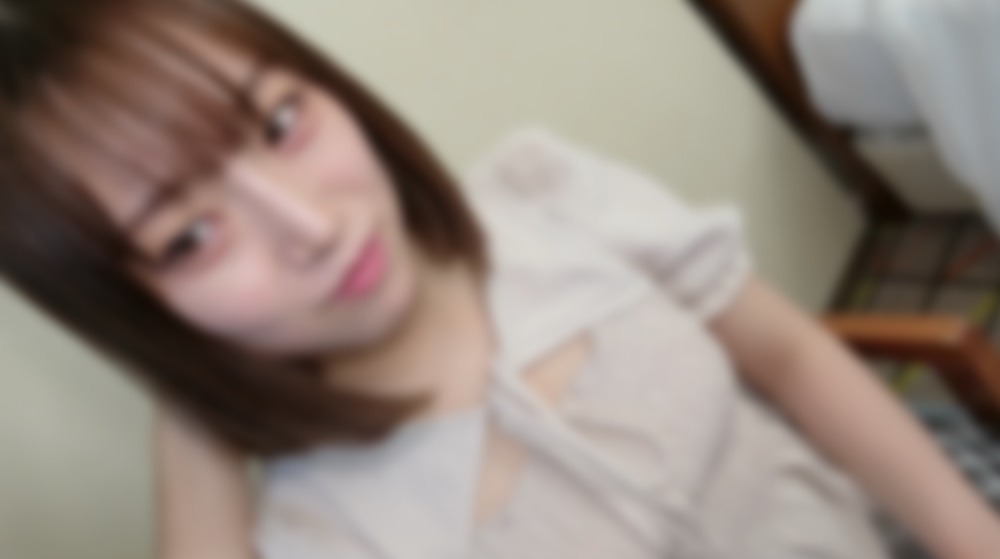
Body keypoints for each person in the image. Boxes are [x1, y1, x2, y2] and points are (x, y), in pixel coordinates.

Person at [0, 1, 997, 557]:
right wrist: (188, 397)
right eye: (188, 236)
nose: (312, 224)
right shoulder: (319, 532)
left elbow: (789, 359)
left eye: (280, 122)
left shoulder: (544, 193)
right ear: (133, 309)